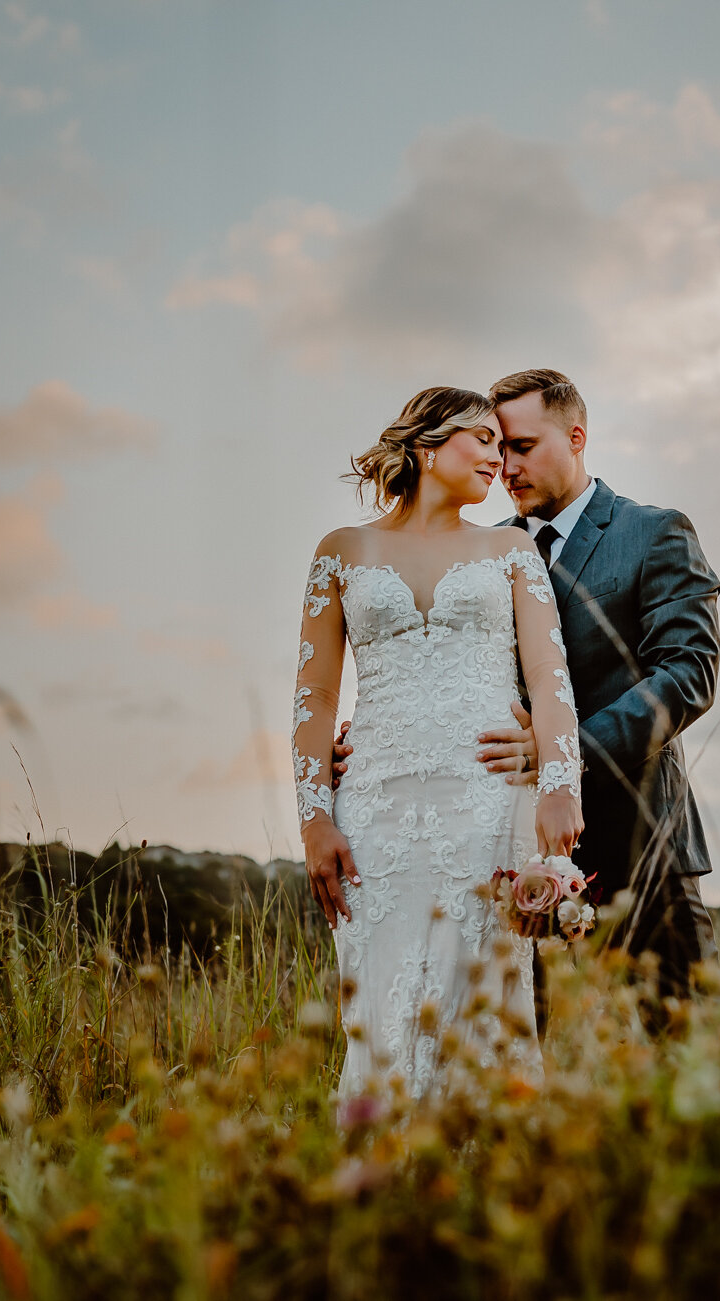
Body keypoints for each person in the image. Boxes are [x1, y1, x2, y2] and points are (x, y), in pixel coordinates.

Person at [336, 369, 720, 1004]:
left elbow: (687, 674)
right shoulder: (483, 552)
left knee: (680, 1050)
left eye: (521, 446)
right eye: (493, 445)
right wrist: (369, 742)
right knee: (517, 1055)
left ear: (576, 436)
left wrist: (561, 755)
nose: (503, 464)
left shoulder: (653, 533)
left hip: (637, 843)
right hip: (495, 848)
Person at [292, 386, 584, 1102]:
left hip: (485, 806)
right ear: (427, 446)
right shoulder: (341, 552)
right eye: (481, 438)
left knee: (481, 1000)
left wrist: (558, 781)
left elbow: (550, 676)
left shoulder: (510, 549)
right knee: (381, 1007)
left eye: (505, 443)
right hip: (374, 817)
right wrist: (314, 816)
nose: (497, 457)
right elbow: (317, 695)